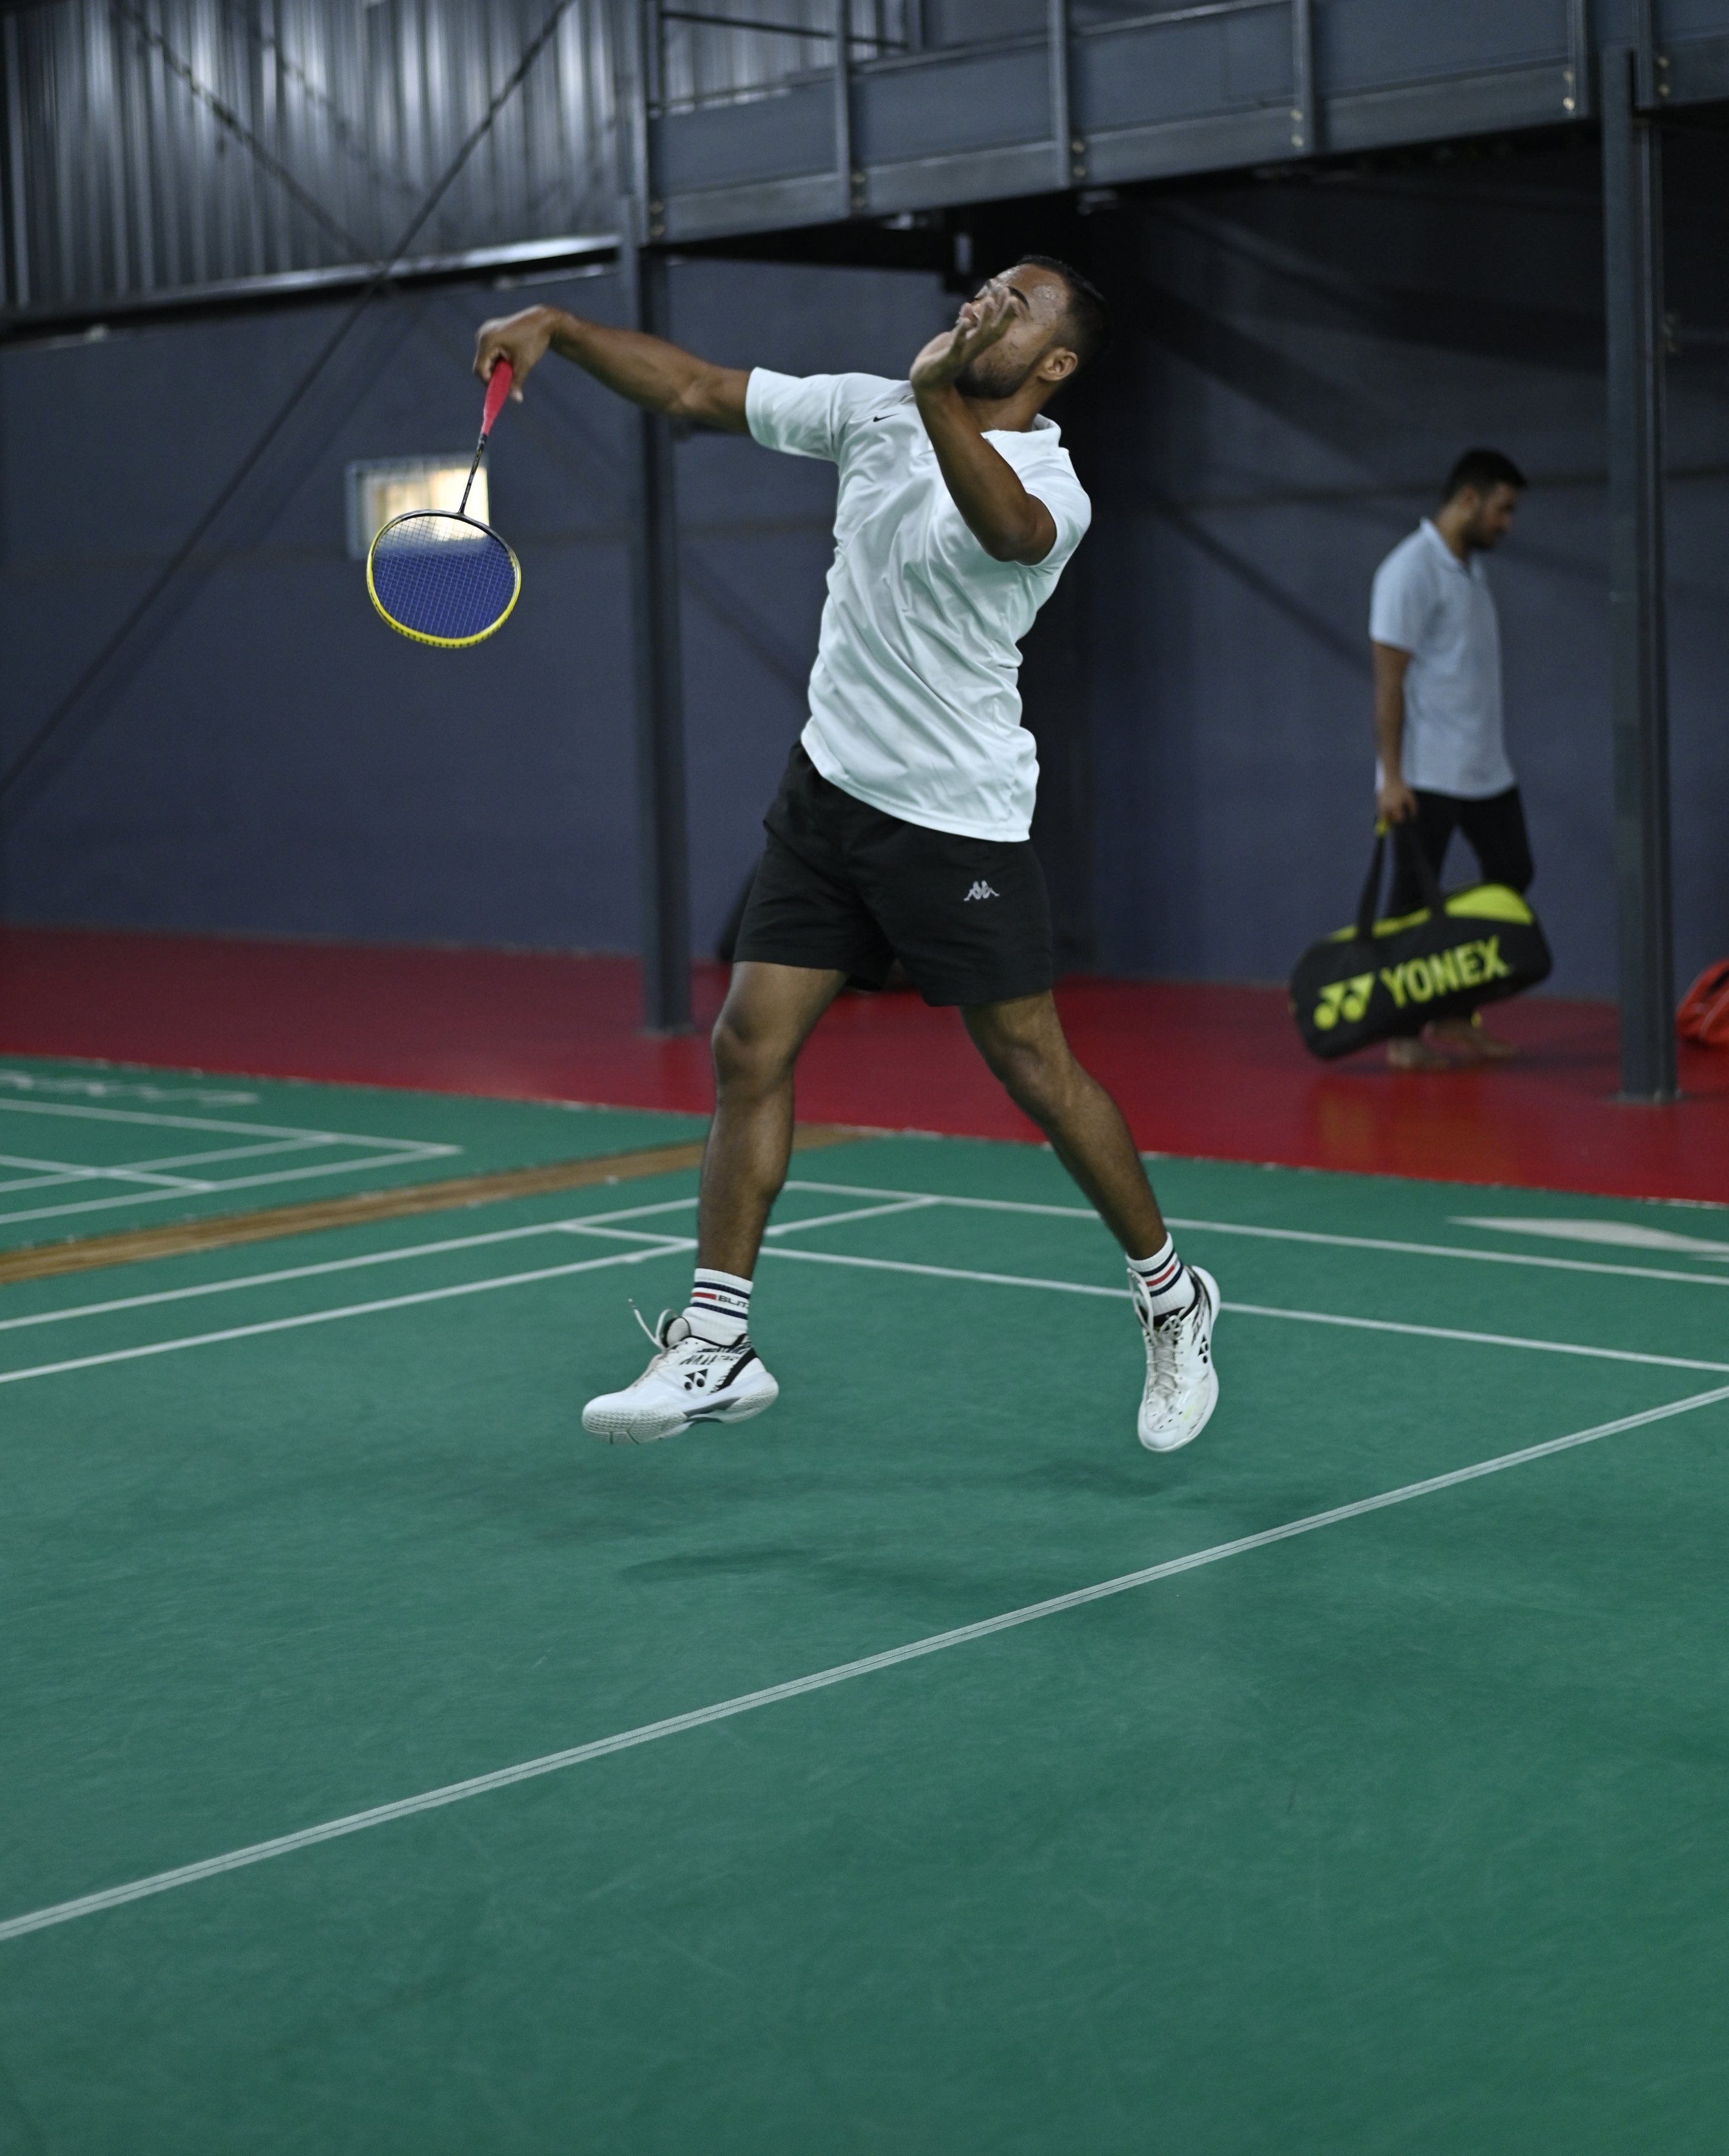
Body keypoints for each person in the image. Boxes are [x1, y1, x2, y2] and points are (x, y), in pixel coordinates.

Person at [472, 260, 1221, 1454]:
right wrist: (560, 326)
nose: (986, 302)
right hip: (828, 793)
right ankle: (717, 1340)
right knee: (748, 1044)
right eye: (989, 285)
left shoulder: (1051, 487)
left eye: (1016, 304)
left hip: (956, 818)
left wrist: (930, 397)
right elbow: (698, 391)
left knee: (1034, 1067)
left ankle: (1172, 1297)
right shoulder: (875, 409)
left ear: (1055, 363)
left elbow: (1005, 532)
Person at [1369, 447, 1532, 1073]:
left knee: (1511, 875)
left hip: (1485, 771)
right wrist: (1391, 777)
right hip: (1424, 774)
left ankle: (1454, 1014)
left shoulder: (1469, 569)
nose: (1506, 523)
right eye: (1501, 509)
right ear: (1468, 499)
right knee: (1409, 908)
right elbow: (1388, 682)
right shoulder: (1408, 570)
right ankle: (1402, 1035)